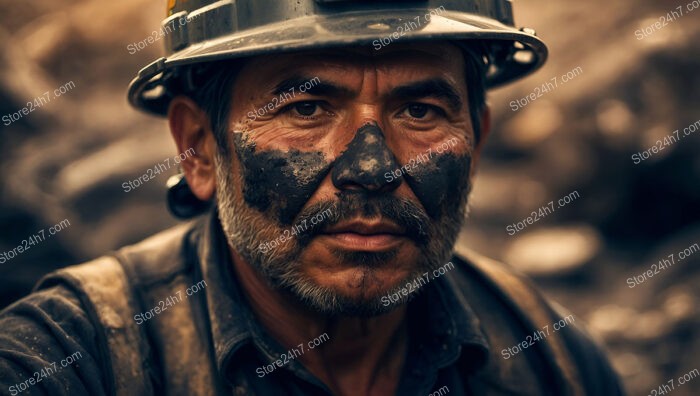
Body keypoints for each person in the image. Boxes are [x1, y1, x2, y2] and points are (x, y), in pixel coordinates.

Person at [0, 1, 624, 395]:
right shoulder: (72, 356)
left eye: (420, 110)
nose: (373, 171)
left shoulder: (549, 356)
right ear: (199, 149)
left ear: (475, 145)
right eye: (306, 108)